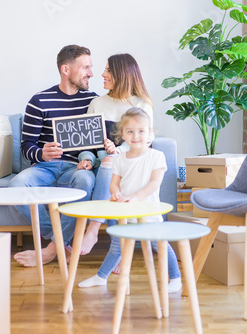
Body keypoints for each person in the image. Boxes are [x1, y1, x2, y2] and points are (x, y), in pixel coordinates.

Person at [10, 45, 98, 267]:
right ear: (66, 69)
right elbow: (26, 146)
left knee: (86, 181)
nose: (91, 73)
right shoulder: (39, 101)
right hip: (44, 168)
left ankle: (51, 250)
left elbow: (99, 144)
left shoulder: (93, 101)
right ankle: (60, 243)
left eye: (91, 67)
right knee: (16, 185)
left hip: (76, 169)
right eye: (85, 67)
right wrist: (41, 152)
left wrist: (88, 159)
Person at [78, 108, 182, 292]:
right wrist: (116, 193)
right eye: (130, 131)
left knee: (161, 245)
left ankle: (176, 278)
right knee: (117, 247)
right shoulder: (119, 159)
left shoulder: (156, 156)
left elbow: (155, 183)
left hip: (148, 212)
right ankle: (101, 277)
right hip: (124, 212)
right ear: (122, 134)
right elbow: (114, 184)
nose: (136, 136)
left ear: (150, 133)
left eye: (141, 131)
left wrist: (135, 197)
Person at [77, 53, 154, 256]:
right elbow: (88, 144)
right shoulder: (97, 103)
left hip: (131, 164)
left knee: (110, 161)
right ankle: (118, 250)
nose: (102, 74)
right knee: (108, 163)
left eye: (108, 70)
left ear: (122, 74)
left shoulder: (141, 105)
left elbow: (145, 142)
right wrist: (86, 159)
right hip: (103, 164)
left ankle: (93, 229)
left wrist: (117, 151)